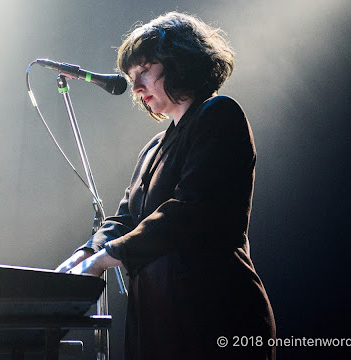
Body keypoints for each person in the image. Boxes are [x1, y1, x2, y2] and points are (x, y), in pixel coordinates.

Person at [56, 12, 276, 360]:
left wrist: (105, 258)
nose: (137, 86)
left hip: (214, 314)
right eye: (132, 77)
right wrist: (86, 252)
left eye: (144, 70)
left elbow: (188, 211)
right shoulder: (153, 148)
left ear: (179, 62)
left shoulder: (219, 115)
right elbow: (126, 218)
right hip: (159, 322)